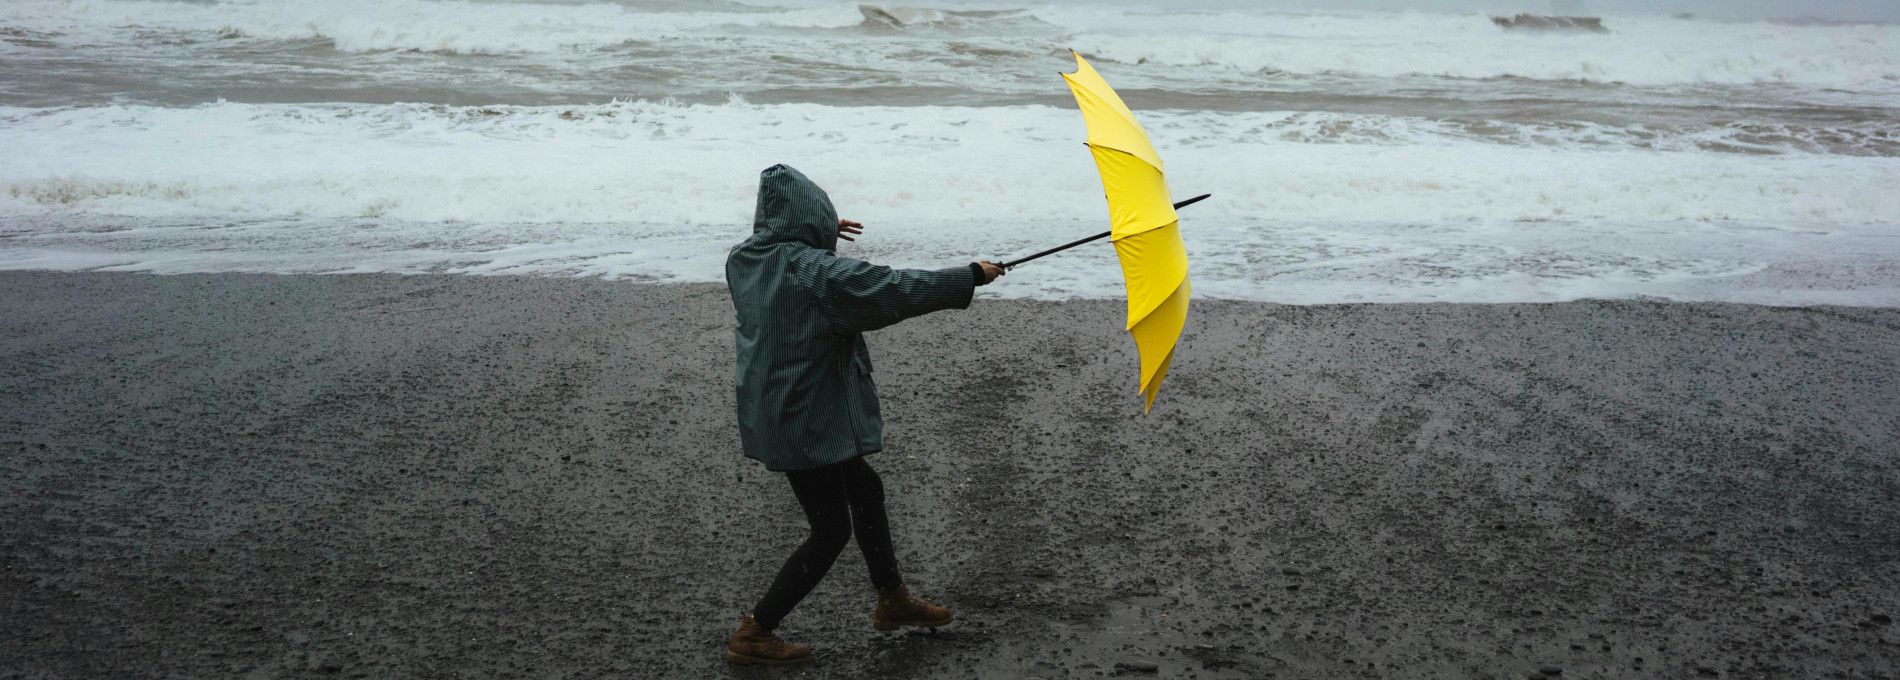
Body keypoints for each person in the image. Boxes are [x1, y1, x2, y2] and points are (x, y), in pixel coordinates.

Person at [722, 165, 1005, 665]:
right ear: (808, 218)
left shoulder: (745, 260)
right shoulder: (817, 273)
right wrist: (968, 277)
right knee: (830, 529)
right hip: (806, 416)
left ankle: (892, 599)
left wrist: (817, 232)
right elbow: (890, 288)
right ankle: (756, 631)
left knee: (865, 488)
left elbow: (794, 257)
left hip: (776, 405)